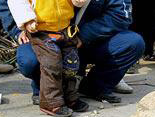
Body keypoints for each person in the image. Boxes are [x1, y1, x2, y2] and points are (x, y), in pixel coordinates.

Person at [0, 0, 144, 105]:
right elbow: (9, 2)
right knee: (29, 60)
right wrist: (18, 30)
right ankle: (44, 90)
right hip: (45, 38)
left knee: (132, 43)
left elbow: (120, 15)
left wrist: (82, 35)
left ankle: (95, 86)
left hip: (88, 40)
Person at [7, 0, 89, 117]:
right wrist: (27, 20)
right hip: (41, 30)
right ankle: (51, 102)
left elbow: (77, 4)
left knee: (71, 63)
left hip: (65, 28)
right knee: (52, 64)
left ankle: (69, 96)